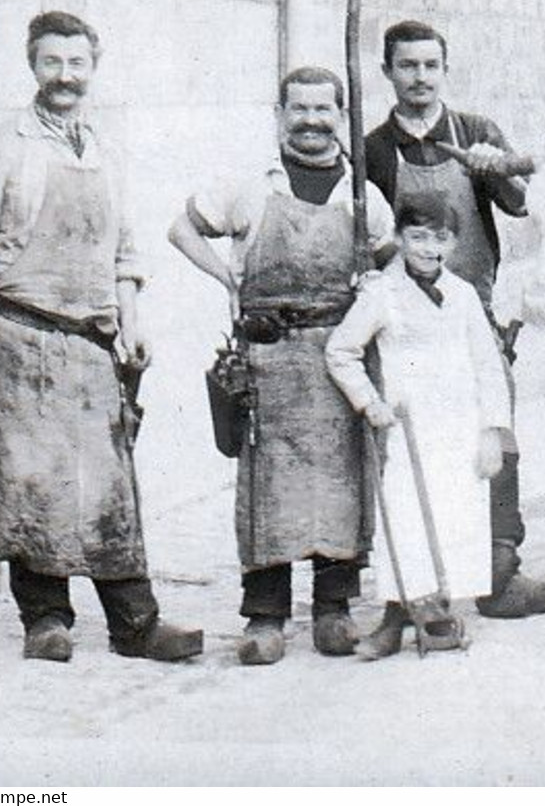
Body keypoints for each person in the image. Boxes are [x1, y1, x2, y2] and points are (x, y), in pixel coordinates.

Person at [0, 11, 203, 663]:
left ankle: (136, 625)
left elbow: (126, 253)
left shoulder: (108, 151)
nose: (65, 76)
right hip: (17, 337)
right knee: (29, 486)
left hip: (91, 346)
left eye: (76, 63)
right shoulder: (1, 146)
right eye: (52, 62)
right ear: (33, 65)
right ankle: (45, 621)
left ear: (94, 65)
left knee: (109, 489)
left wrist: (132, 325)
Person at [168, 66, 393, 666]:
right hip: (267, 360)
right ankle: (265, 617)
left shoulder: (362, 195)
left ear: (341, 118)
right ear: (280, 114)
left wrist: (373, 284)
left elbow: (391, 264)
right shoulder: (250, 185)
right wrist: (227, 279)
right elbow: (181, 228)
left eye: (324, 110)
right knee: (266, 493)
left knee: (342, 487)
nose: (312, 121)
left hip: (337, 362)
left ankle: (333, 609)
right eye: (300, 109)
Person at [363, 20, 545, 620]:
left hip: (473, 316)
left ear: (444, 71)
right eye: (408, 66)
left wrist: (496, 167)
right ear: (388, 73)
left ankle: (501, 578)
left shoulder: (475, 132)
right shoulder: (373, 148)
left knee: (493, 439)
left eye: (430, 65)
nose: (420, 77)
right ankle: (412, 590)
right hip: (404, 328)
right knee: (414, 452)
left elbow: (528, 202)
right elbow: (371, 238)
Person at [325, 193, 512, 658]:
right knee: (407, 520)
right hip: (411, 431)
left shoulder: (464, 294)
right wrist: (370, 403)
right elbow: (341, 351)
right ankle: (394, 618)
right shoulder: (382, 293)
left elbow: (488, 366)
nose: (430, 248)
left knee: (455, 519)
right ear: (400, 239)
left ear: (453, 242)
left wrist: (492, 431)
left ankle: (440, 614)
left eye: (441, 238)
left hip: (462, 428)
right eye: (418, 237)